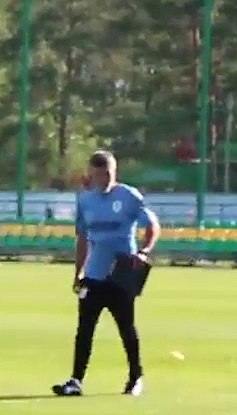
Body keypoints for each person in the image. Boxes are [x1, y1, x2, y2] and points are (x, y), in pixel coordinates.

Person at [52, 150, 160, 398]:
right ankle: (75, 380)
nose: (105, 179)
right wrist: (78, 272)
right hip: (94, 275)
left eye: (109, 174)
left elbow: (152, 225)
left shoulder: (128, 196)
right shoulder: (86, 200)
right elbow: (82, 238)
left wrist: (144, 251)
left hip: (121, 274)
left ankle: (136, 376)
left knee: (126, 327)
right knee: (84, 329)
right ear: (92, 174)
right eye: (100, 174)